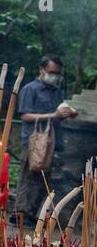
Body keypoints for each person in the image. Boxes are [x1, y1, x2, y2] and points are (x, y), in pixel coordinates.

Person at [14, 55, 78, 227]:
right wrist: (54, 115)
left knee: (44, 180)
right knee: (28, 177)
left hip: (52, 141)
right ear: (41, 70)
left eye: (57, 73)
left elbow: (58, 114)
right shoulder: (30, 89)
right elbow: (26, 116)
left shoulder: (56, 91)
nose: (54, 76)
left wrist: (67, 114)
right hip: (34, 141)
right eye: (51, 72)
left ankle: (36, 214)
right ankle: (20, 214)